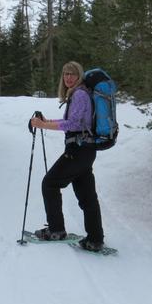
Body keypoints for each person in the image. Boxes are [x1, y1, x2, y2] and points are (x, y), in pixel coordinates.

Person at [29, 61, 105, 252]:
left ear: (79, 76)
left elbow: (74, 124)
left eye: (72, 74)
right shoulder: (81, 93)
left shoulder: (79, 94)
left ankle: (56, 230)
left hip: (77, 151)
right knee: (87, 198)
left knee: (49, 184)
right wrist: (47, 121)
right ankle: (95, 239)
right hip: (86, 151)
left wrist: (43, 125)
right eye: (65, 74)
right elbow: (71, 121)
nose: (68, 77)